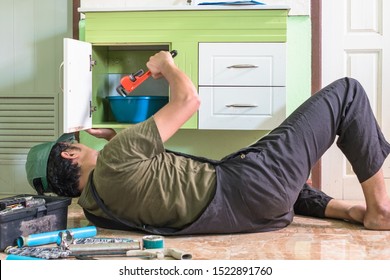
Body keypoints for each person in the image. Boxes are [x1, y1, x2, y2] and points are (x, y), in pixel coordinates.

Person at [26, 51, 390, 235]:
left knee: (260, 170)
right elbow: (188, 101)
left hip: (258, 215)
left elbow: (146, 180)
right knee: (347, 93)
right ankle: (379, 209)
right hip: (252, 187)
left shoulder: (93, 208)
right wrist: (165, 65)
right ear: (71, 153)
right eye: (74, 142)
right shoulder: (116, 159)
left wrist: (120, 140)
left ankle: (350, 212)